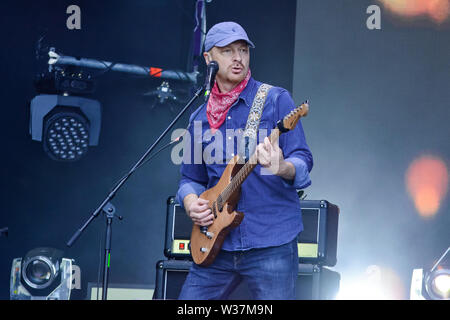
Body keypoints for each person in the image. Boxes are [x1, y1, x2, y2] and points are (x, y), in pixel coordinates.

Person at [176, 21, 313, 300]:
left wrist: (283, 167)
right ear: (208, 58)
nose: (238, 58)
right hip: (215, 243)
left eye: (243, 50)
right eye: (227, 51)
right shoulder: (198, 119)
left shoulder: (275, 99)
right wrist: (191, 202)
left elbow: (303, 158)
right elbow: (190, 179)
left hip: (270, 241)